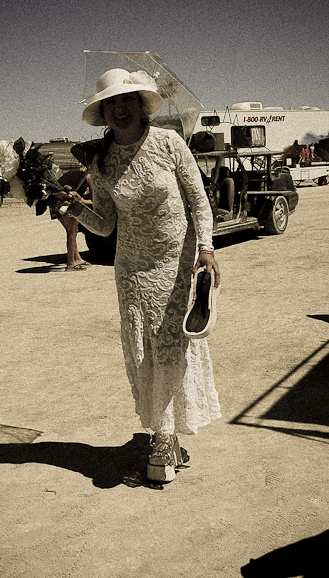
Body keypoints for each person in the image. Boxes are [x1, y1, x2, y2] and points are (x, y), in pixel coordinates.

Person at [59, 68, 221, 482]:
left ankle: (163, 439)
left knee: (170, 349)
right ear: (103, 112)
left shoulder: (169, 144)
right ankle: (164, 437)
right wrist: (78, 210)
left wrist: (207, 249)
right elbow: (107, 224)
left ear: (141, 104)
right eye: (110, 103)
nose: (118, 109)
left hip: (176, 267)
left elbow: (198, 202)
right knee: (146, 352)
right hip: (131, 272)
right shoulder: (103, 160)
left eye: (126, 100)